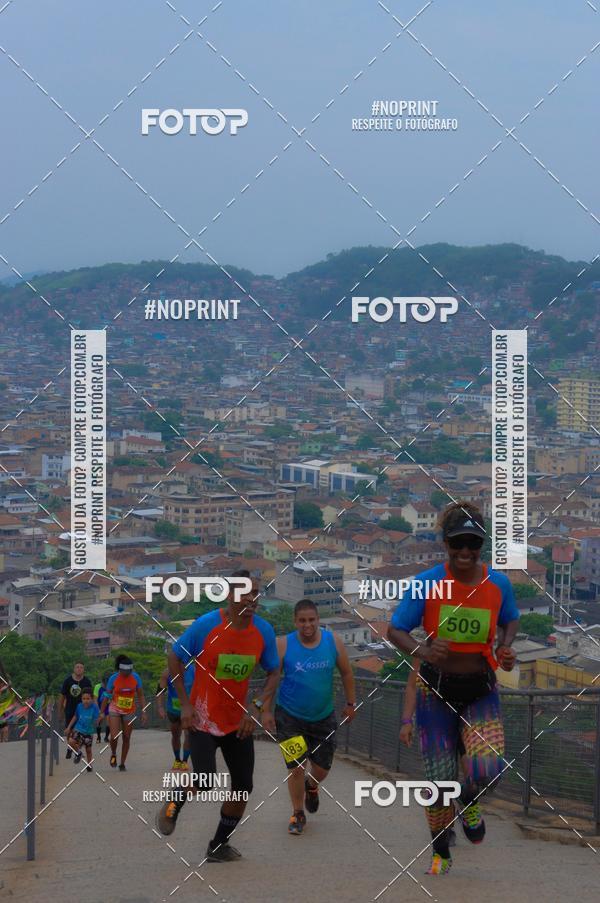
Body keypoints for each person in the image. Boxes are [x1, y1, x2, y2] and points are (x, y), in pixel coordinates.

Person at [387, 501, 519, 876]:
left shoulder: (498, 584)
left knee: (489, 767)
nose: (464, 552)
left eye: (472, 544)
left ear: (482, 546)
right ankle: (441, 850)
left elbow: (511, 620)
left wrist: (505, 647)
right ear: (445, 543)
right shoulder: (428, 583)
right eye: (456, 543)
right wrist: (424, 650)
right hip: (436, 694)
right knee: (437, 782)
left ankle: (468, 798)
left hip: (480, 691)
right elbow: (394, 629)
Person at [155, 571, 280, 863]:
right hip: (202, 720)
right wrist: (184, 705)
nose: (251, 599)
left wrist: (258, 705)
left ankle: (218, 845)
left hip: (238, 722)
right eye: (244, 593)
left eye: (255, 593)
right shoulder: (207, 625)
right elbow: (175, 657)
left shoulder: (264, 632)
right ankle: (175, 800)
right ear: (230, 596)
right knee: (205, 779)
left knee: (243, 788)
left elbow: (274, 671)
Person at [275, 598, 356, 835]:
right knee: (296, 767)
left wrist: (351, 703)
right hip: (289, 716)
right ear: (295, 621)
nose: (307, 625)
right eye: (302, 620)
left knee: (321, 768)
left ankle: (313, 785)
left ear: (318, 620)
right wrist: (264, 709)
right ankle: (298, 813)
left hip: (323, 717)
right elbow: (272, 678)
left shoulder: (333, 642)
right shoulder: (283, 644)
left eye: (311, 620)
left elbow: (347, 673)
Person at [399, 668, 457, 848]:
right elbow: (412, 684)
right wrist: (407, 722)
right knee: (439, 778)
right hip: (430, 718)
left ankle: (449, 819)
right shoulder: (424, 647)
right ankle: (444, 827)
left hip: (461, 713)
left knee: (453, 775)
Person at [101, 654, 147, 771]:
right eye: (124, 671)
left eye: (129, 671)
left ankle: (122, 763)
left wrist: (144, 711)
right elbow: (106, 696)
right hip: (115, 709)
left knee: (126, 737)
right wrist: (102, 712)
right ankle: (113, 753)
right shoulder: (113, 678)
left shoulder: (136, 678)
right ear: (119, 669)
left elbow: (141, 695)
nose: (127, 674)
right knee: (114, 736)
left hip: (129, 710)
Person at [157, 663, 195, 770]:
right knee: (175, 735)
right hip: (173, 710)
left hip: (188, 709)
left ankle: (185, 761)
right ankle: (177, 759)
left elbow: (200, 688)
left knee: (188, 735)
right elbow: (160, 691)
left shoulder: (193, 671)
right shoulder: (167, 672)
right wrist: (160, 707)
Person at [60, 662, 92, 759]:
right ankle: (71, 748)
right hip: (70, 709)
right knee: (68, 732)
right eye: (77, 667)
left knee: (78, 731)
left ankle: (75, 750)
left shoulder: (87, 681)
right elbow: (62, 696)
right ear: (74, 669)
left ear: (83, 670)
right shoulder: (68, 681)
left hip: (82, 711)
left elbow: (91, 697)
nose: (79, 669)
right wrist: (60, 710)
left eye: (81, 667)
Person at [65, 688, 101, 772]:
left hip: (89, 732)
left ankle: (89, 764)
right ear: (81, 699)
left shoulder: (94, 708)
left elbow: (96, 721)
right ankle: (79, 753)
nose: (86, 701)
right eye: (84, 699)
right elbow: (75, 716)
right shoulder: (79, 706)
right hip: (78, 729)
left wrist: (98, 720)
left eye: (88, 699)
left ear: (92, 699)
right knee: (70, 741)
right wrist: (69, 727)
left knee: (88, 750)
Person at [95, 672, 111, 743]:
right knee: (99, 721)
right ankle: (98, 737)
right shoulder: (97, 687)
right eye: (105, 684)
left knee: (109, 721)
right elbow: (95, 699)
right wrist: (98, 710)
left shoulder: (110, 686)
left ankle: (106, 737)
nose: (106, 686)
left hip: (108, 706)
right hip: (99, 705)